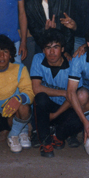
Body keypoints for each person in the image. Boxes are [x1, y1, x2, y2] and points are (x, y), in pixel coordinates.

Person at [30, 29, 83, 158]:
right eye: (48, 48)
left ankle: (58, 136)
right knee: (40, 97)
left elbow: (74, 97)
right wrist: (65, 93)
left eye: (56, 47)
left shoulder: (72, 64)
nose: (52, 52)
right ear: (43, 50)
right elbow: (36, 88)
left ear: (63, 49)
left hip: (63, 108)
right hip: (45, 109)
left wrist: (54, 115)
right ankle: (45, 141)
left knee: (79, 120)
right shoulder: (38, 59)